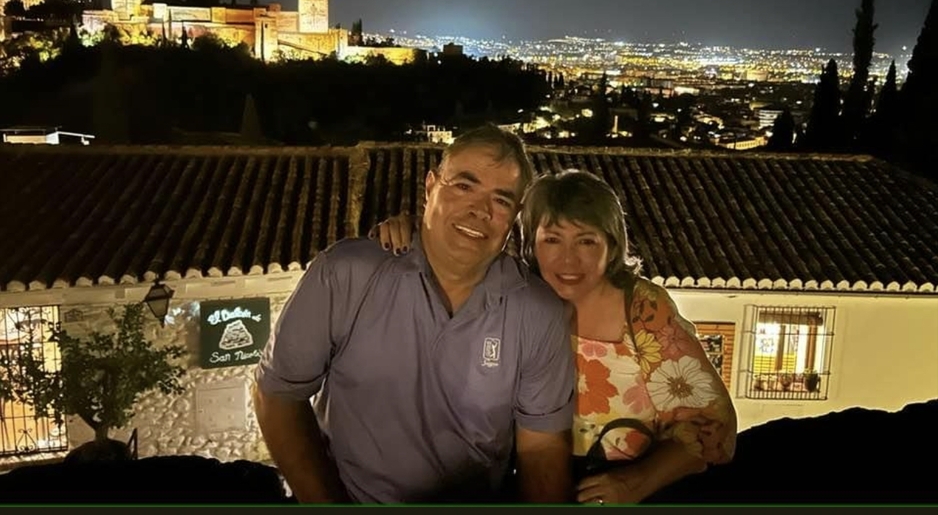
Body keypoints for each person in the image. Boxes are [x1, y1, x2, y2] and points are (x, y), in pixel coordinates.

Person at [253, 124, 576, 504]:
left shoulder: (537, 313)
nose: (480, 210)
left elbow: (542, 448)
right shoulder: (348, 274)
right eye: (464, 186)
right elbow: (277, 394)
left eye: (501, 201)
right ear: (430, 187)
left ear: (515, 216)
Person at [373, 169, 737, 505]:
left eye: (586, 241)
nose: (568, 260)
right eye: (552, 240)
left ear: (612, 246)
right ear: (530, 245)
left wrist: (634, 483)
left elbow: (714, 427)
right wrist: (411, 233)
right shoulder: (514, 299)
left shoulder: (642, 310)